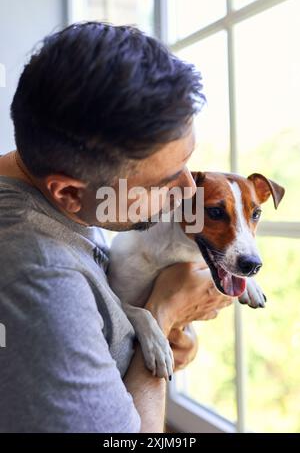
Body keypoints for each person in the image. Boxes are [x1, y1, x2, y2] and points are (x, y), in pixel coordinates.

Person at [0, 22, 232, 433]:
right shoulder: (41, 279)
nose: (188, 190)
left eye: (187, 165)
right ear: (68, 192)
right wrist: (162, 315)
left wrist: (143, 343)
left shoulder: (67, 195)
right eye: (164, 181)